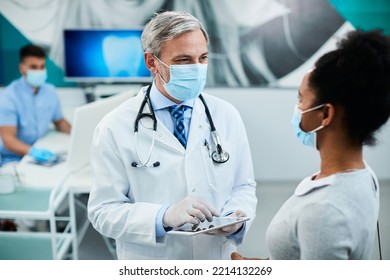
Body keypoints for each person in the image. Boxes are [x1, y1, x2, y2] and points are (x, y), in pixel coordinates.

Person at [87, 11, 257, 260]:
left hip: (214, 257)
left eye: (203, 58)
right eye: (184, 60)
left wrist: (236, 218)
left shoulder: (226, 115)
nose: (197, 69)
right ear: (152, 62)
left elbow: (244, 186)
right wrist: (162, 217)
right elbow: (103, 211)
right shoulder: (114, 126)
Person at [232, 29, 390, 260]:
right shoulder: (363, 176)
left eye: (301, 99)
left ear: (325, 113)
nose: (298, 108)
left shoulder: (324, 212)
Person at [0, 44, 71, 167]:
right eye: (33, 67)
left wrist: (78, 134)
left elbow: (60, 122)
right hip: (12, 158)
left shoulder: (50, 91)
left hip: (38, 151)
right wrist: (32, 151)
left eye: (42, 67)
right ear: (22, 68)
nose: (39, 71)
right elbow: (8, 140)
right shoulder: (9, 97)